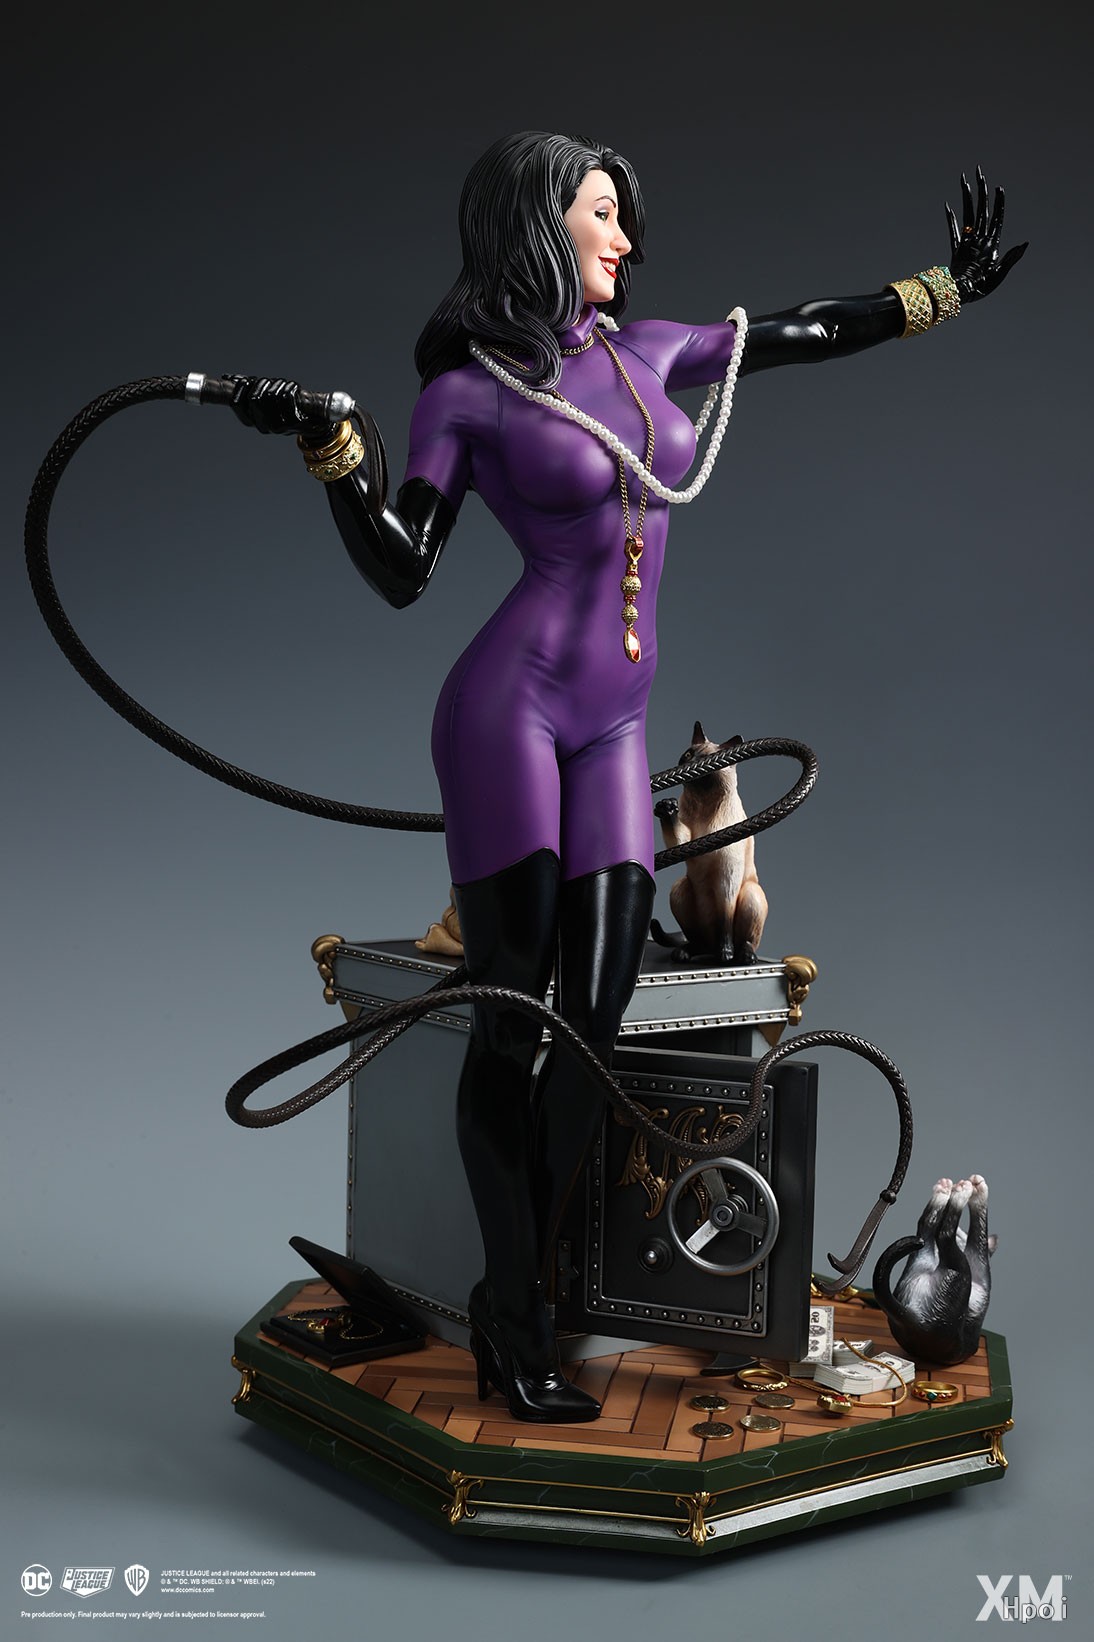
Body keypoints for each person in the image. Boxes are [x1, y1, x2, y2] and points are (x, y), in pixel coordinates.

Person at [231, 130, 1024, 1423]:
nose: (625, 236)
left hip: (613, 726)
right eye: (601, 212)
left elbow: (801, 333)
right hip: (507, 715)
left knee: (590, 1035)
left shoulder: (650, 349)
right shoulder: (471, 394)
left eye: (623, 215)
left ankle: (515, 1296)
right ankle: (517, 1316)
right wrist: (335, 450)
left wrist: (939, 290)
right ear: (537, 224)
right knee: (514, 1020)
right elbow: (401, 565)